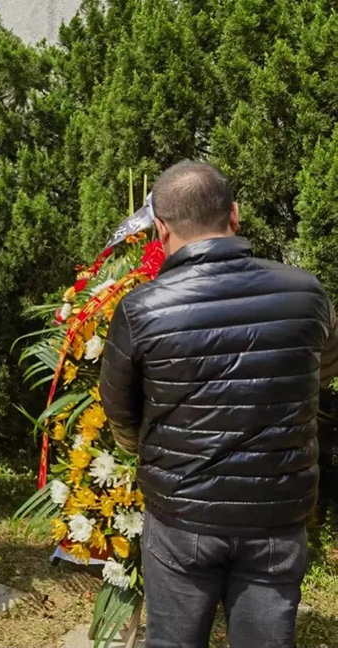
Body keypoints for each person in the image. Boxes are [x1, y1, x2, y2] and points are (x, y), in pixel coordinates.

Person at [99, 161, 338, 648]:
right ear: (234, 214)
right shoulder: (306, 292)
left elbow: (120, 410)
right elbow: (323, 367)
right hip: (275, 514)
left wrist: (150, 446)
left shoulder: (142, 309)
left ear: (161, 229)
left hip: (182, 514)